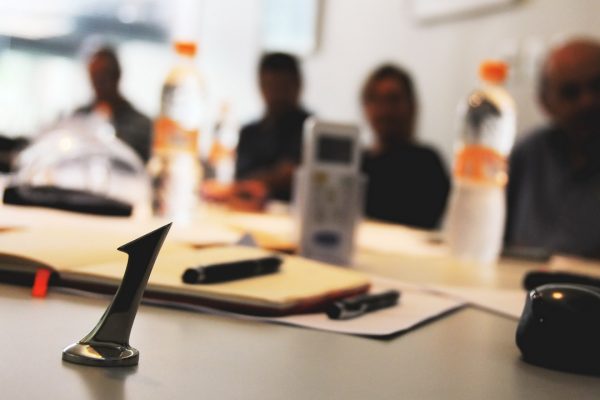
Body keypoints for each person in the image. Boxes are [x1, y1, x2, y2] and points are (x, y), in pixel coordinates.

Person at [506, 38, 600, 258]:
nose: (587, 102)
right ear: (545, 102)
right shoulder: (528, 154)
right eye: (570, 92)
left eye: (598, 86)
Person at [360, 64, 449, 229]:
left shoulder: (427, 163)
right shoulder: (357, 162)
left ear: (411, 106)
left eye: (393, 100)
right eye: (374, 99)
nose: (384, 110)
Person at [231, 52, 310, 209]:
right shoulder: (249, 132)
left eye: (283, 87)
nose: (277, 95)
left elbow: (292, 174)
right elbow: (241, 182)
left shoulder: (311, 129)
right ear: (260, 85)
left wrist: (259, 180)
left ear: (298, 85)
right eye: (271, 86)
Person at [75, 46, 152, 162]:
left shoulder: (142, 126)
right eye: (95, 76)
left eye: (104, 75)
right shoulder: (79, 117)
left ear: (117, 75)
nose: (99, 83)